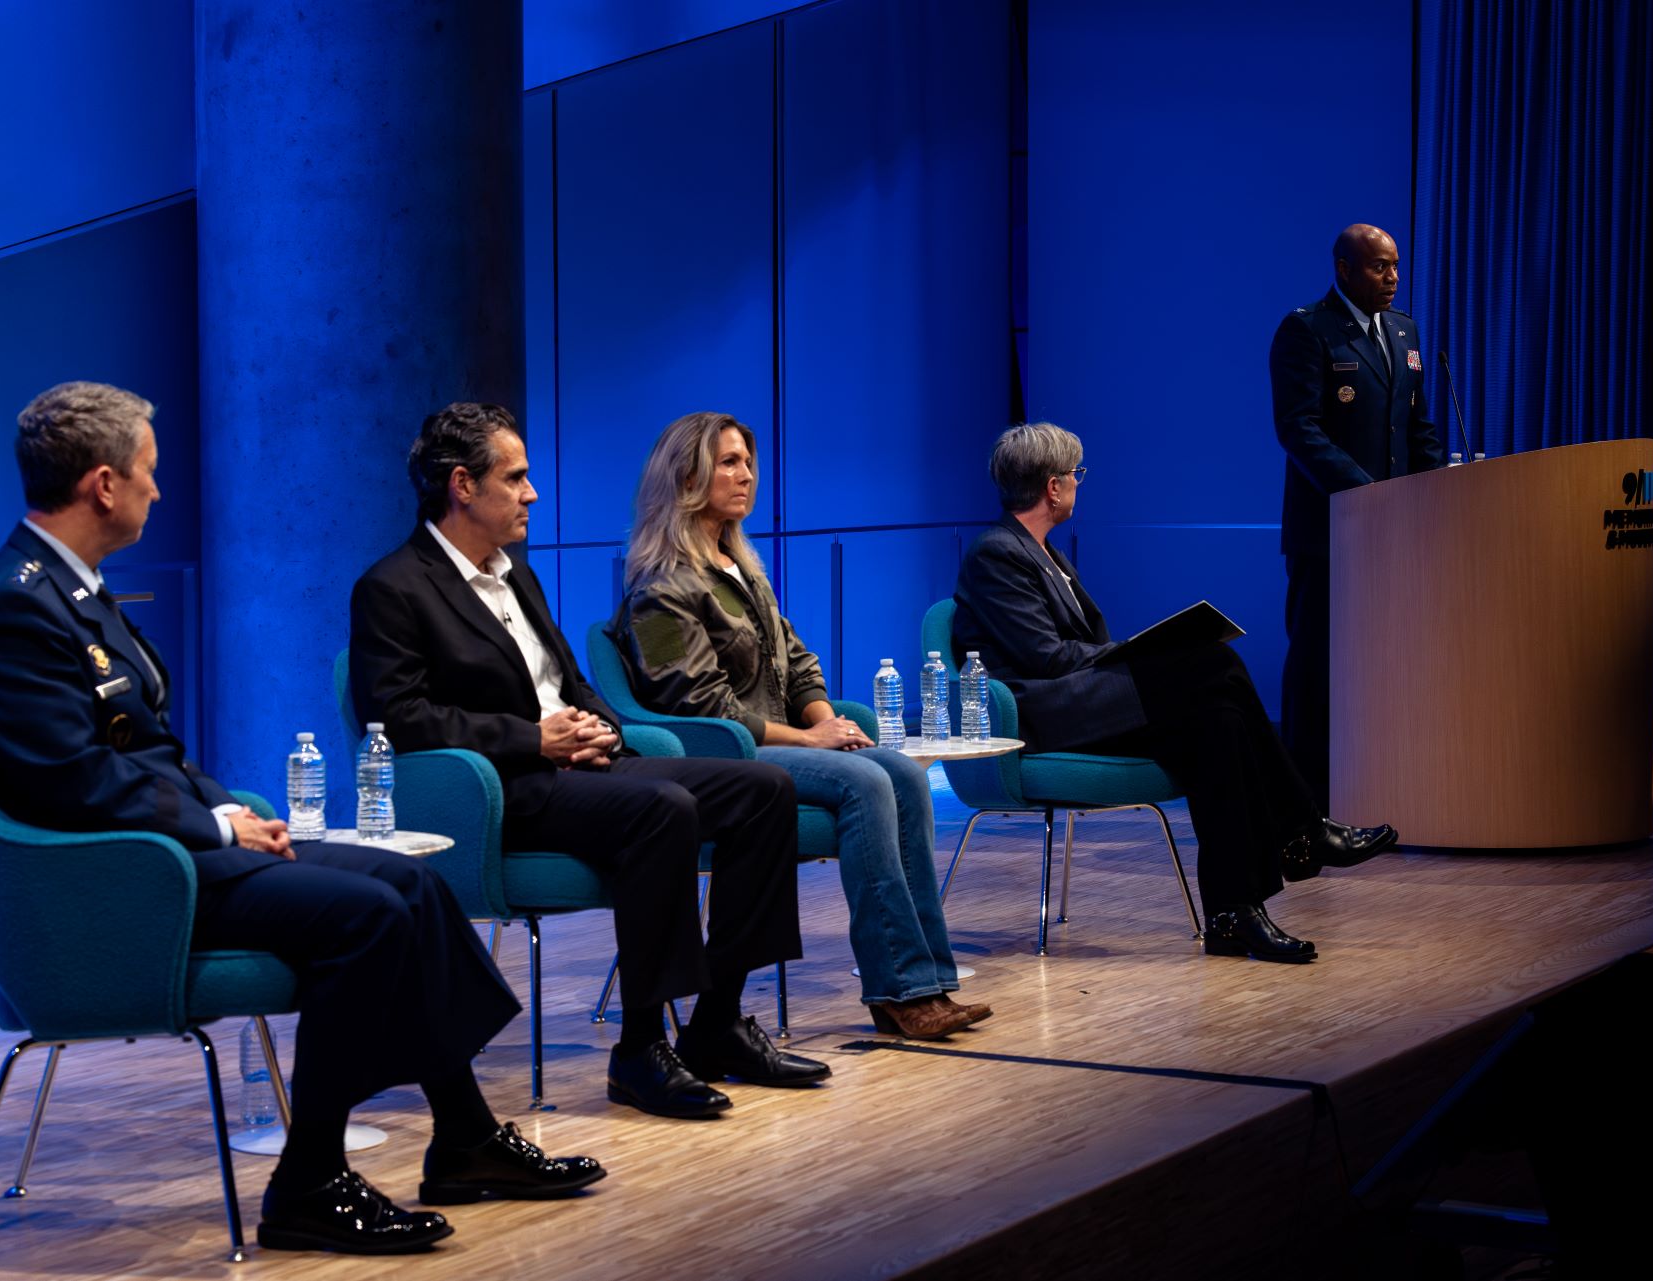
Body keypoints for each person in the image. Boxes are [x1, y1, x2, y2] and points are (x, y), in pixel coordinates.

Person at [0, 382, 602, 1258]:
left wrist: (221, 807)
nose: (158, 490)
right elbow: (73, 783)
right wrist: (218, 829)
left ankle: (466, 1134)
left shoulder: (74, 591)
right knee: (366, 914)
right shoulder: (18, 607)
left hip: (159, 850)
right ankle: (310, 1183)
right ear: (103, 484)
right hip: (116, 886)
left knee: (409, 878)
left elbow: (148, 753)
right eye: (149, 472)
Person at [349, 402, 829, 1119]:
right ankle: (640, 1048)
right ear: (462, 485)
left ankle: (717, 1022)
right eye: (515, 478)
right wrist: (533, 738)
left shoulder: (518, 577)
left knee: (762, 789)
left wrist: (602, 727)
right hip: (503, 788)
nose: (532, 493)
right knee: (664, 808)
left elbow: (571, 684)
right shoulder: (394, 587)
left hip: (580, 767)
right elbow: (397, 719)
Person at [952, 422, 1399, 963]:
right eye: (1076, 475)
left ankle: (1234, 915)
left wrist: (1133, 654)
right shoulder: (996, 553)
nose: (1078, 485)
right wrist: (1136, 655)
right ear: (1052, 487)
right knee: (1212, 661)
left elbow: (1076, 648)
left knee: (1220, 726)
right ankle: (1302, 831)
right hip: (1044, 715)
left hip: (1083, 701)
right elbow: (1046, 658)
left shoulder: (1044, 552)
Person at [610, 412, 986, 1040]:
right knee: (864, 785)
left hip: (782, 743)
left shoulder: (743, 570)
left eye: (748, 462)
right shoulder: (659, 589)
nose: (746, 474)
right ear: (685, 476)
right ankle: (900, 990)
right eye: (728, 462)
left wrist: (826, 718)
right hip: (724, 758)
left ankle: (928, 980)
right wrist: (811, 740)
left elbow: (799, 662)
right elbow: (705, 707)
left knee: (903, 773)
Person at [1269, 223, 1446, 808]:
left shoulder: (1405, 331)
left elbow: (1417, 428)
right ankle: (1306, 801)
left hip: (1395, 535)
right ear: (1343, 269)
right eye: (1378, 267)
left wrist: (1437, 489)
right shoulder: (1307, 330)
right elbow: (1299, 429)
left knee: (1386, 665)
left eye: (1395, 266)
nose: (1392, 277)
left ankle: (1378, 785)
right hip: (1331, 534)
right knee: (1320, 666)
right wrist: (1366, 494)